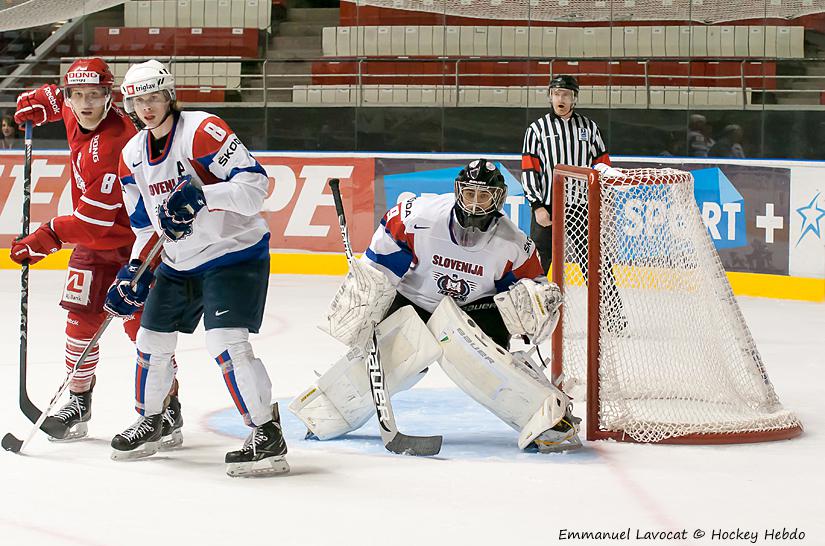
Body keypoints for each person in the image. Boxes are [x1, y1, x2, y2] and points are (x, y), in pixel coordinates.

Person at [290, 159, 582, 453]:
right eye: (470, 194)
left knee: (479, 361)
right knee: (395, 356)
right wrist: (366, 311)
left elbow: (530, 294)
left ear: (499, 198)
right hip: (414, 301)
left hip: (475, 310)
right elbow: (378, 272)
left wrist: (537, 302)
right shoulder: (418, 217)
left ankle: (545, 418)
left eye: (484, 196)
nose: (476, 204)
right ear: (458, 192)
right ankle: (327, 412)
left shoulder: (514, 244)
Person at [105, 59, 287, 477]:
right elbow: (144, 226)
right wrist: (134, 271)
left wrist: (204, 195)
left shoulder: (203, 130)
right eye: (137, 100)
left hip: (234, 253)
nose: (146, 108)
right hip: (179, 261)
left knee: (225, 340)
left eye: (153, 97)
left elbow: (254, 187)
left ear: (169, 96)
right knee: (150, 339)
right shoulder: (132, 155)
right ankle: (155, 419)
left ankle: (266, 431)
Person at [9, 58, 182, 444]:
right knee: (79, 325)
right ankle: (78, 401)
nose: (84, 104)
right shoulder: (73, 109)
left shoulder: (117, 140)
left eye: (94, 95)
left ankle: (167, 408)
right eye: (77, 95)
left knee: (143, 332)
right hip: (91, 249)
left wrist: (45, 238)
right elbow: (53, 98)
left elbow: (95, 221)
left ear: (110, 96)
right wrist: (36, 99)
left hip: (133, 246)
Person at [520, 74, 626, 333]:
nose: (561, 99)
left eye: (566, 94)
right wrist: (537, 206)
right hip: (548, 206)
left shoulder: (589, 128)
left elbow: (603, 166)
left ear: (574, 98)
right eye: (556, 94)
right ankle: (525, 318)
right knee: (537, 264)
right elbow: (529, 169)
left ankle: (612, 318)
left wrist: (605, 202)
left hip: (581, 206)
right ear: (550, 96)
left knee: (594, 263)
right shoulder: (536, 130)